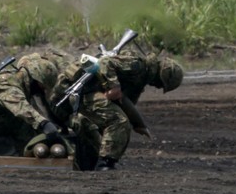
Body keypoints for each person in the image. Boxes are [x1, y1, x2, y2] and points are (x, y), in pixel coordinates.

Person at [53, 51, 183, 171]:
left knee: (110, 125)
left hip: (91, 94)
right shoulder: (136, 65)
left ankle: (94, 161)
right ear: (161, 75)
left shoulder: (140, 79)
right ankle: (105, 163)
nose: (157, 86)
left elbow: (126, 103)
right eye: (160, 84)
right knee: (118, 120)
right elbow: (105, 62)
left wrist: (138, 124)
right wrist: (113, 86)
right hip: (83, 92)